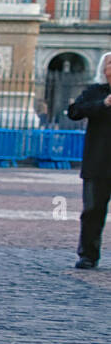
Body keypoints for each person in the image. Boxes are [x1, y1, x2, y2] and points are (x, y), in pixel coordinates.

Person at [67, 52, 111, 269]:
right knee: (92, 210)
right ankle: (88, 254)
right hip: (98, 162)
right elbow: (74, 111)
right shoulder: (94, 92)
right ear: (104, 69)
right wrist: (103, 104)